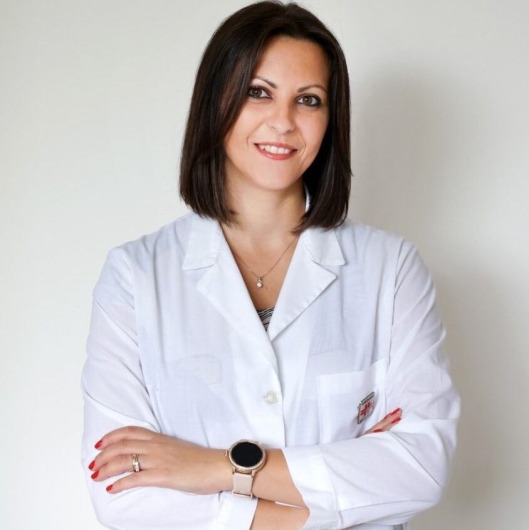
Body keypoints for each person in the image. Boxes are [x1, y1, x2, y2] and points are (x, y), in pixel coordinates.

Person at [81, 2, 460, 529]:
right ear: (217, 102)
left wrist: (216, 468)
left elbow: (421, 468)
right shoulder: (135, 277)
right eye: (259, 92)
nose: (283, 122)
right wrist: (341, 493)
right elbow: (121, 494)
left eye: (309, 100)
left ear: (330, 120)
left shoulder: (391, 270)